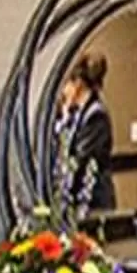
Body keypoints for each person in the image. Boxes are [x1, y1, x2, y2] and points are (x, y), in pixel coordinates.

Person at [52, 50, 116, 225]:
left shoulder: (95, 117)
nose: (64, 92)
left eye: (66, 85)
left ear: (78, 84)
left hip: (93, 204)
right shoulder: (75, 115)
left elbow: (80, 161)